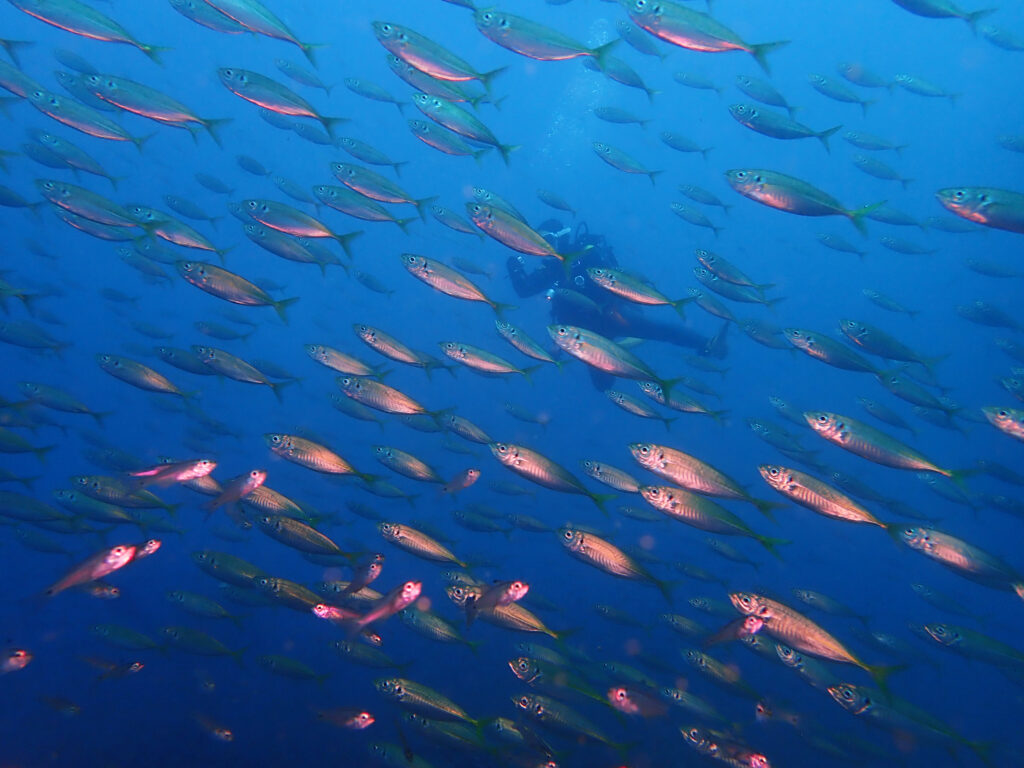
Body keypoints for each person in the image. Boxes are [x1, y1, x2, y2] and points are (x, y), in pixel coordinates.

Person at [507, 220, 711, 353]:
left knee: (660, 330)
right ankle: (621, 348)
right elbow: (524, 290)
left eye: (547, 239)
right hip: (580, 335)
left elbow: (615, 282)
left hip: (612, 316)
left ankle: (706, 344)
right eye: (538, 240)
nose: (543, 245)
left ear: (561, 237)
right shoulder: (550, 268)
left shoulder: (586, 254)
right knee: (602, 386)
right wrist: (514, 267)